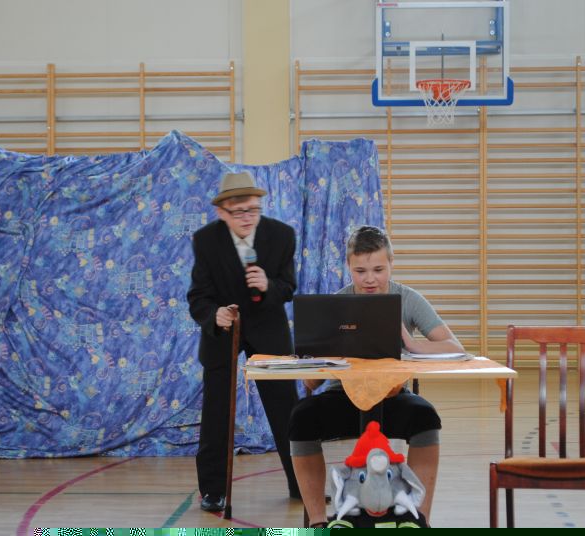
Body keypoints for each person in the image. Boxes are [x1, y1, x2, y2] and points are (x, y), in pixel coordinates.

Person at [288, 225, 465, 527]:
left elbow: (454, 347)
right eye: (361, 271)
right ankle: (318, 523)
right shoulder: (336, 304)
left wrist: (410, 343)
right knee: (301, 419)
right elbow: (311, 382)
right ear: (349, 266)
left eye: (378, 270)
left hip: (392, 397)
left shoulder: (408, 299)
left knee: (426, 419)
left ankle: (418, 520)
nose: (370, 279)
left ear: (391, 264)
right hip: (343, 396)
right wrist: (323, 357)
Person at [187, 170, 301, 512]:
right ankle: (213, 491)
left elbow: (288, 287)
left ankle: (302, 484)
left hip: (269, 328)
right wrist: (215, 315)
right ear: (221, 212)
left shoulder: (282, 235)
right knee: (217, 411)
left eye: (253, 209)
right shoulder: (205, 241)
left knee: (286, 408)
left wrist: (268, 285)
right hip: (225, 330)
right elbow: (198, 297)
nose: (247, 217)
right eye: (238, 212)